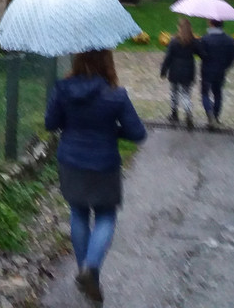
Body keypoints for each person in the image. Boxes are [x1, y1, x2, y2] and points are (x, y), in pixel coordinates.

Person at [45, 49, 146, 305]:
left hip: (71, 161)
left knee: (78, 213)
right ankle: (91, 268)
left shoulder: (62, 88)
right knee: (105, 216)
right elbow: (137, 133)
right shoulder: (116, 95)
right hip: (104, 164)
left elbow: (50, 123)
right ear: (107, 61)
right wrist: (112, 131)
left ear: (77, 59)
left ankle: (86, 273)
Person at [159, 17, 199, 129]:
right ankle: (188, 111)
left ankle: (174, 113)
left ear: (179, 28)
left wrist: (163, 70)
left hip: (175, 70)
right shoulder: (193, 42)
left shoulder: (174, 41)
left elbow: (168, 57)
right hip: (188, 71)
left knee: (174, 93)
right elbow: (201, 52)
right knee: (186, 93)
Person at [198, 19, 234, 129]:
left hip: (207, 70)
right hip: (220, 71)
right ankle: (216, 116)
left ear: (211, 24)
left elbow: (202, 54)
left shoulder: (205, 39)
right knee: (218, 94)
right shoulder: (229, 40)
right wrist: (225, 67)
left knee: (205, 93)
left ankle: (210, 115)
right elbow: (233, 57)